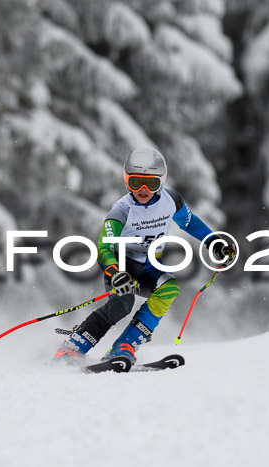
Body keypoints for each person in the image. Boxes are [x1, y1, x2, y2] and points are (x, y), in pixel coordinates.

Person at [53, 148, 235, 365]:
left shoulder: (171, 200)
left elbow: (189, 222)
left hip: (149, 266)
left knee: (169, 288)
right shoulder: (122, 210)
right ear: (126, 180)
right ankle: (72, 348)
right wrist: (115, 273)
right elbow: (104, 246)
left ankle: (124, 346)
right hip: (122, 267)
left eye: (151, 183)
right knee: (122, 305)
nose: (143, 189)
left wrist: (214, 242)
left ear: (162, 181)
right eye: (136, 182)